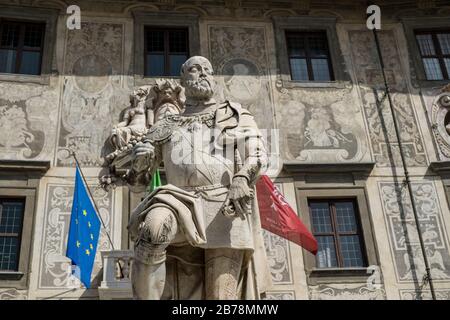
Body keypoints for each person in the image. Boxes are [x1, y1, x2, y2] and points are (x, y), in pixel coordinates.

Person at [127, 56, 271, 299]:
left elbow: (258, 154)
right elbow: (139, 182)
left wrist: (242, 179)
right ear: (183, 79)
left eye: (208, 70)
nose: (203, 74)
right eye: (195, 69)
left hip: (223, 207)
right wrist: (140, 161)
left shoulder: (235, 115)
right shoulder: (166, 124)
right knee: (153, 230)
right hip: (178, 199)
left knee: (221, 297)